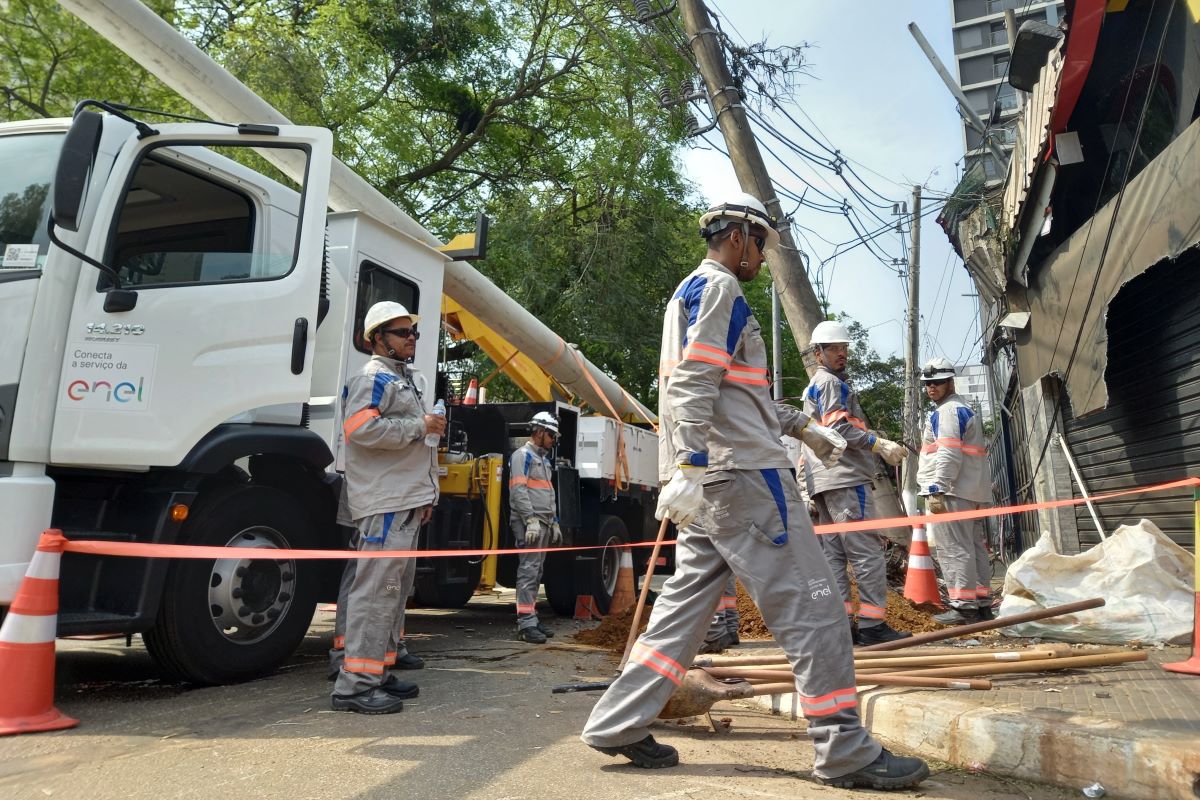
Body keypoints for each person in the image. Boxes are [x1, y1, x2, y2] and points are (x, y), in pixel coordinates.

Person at [580, 193, 929, 790]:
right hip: (743, 477)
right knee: (817, 608)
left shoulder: (684, 295)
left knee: (680, 617)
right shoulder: (720, 289)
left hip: (713, 482)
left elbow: (739, 395)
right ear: (738, 234)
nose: (763, 258)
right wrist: (690, 458)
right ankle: (844, 750)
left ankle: (617, 722)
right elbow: (696, 381)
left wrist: (806, 431)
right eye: (761, 244)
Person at [330, 301, 445, 714]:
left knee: (392, 593)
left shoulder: (403, 380)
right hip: (384, 502)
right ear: (378, 338)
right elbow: (360, 430)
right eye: (402, 333)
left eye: (413, 332)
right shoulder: (372, 378)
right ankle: (354, 686)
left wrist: (425, 496)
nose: (412, 338)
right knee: (375, 593)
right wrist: (420, 426)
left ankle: (375, 671)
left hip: (403, 499)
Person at [800, 320, 911, 647]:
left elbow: (810, 440)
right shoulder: (833, 385)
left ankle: (842, 624)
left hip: (823, 482)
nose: (842, 353)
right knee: (866, 553)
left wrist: (806, 488)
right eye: (834, 348)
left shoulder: (812, 389)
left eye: (844, 347)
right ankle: (873, 625)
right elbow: (840, 431)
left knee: (833, 556)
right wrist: (879, 444)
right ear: (818, 353)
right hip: (846, 479)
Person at [916, 357, 993, 625]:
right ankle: (982, 604)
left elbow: (948, 454)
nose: (931, 388)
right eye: (927, 384)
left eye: (937, 383)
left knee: (953, 549)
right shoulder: (963, 409)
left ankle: (963, 608)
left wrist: (937, 486)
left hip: (951, 492)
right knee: (974, 548)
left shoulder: (946, 412)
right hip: (971, 492)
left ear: (950, 382)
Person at [510, 410, 563, 644]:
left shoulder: (543, 458)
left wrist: (554, 522)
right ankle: (525, 623)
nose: (553, 440)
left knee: (536, 571)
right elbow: (518, 491)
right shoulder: (523, 456)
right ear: (539, 431)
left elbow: (548, 493)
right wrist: (530, 519)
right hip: (528, 522)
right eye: (551, 434)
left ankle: (531, 616)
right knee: (528, 571)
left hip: (541, 522)